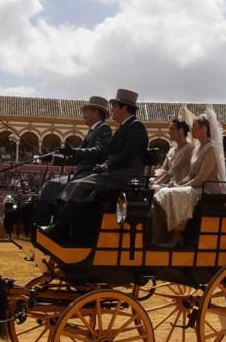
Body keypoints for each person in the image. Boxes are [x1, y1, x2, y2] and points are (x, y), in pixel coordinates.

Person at [46, 89, 149, 243]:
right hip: (117, 172)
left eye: (114, 106)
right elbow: (110, 154)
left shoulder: (136, 127)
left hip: (126, 175)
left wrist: (106, 166)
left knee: (79, 185)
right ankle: (64, 228)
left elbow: (127, 155)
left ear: (124, 108)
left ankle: (59, 228)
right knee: (76, 184)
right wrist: (104, 164)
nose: (112, 110)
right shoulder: (122, 128)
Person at [152, 107, 226, 247]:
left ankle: (177, 234)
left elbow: (202, 177)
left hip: (208, 190)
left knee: (176, 193)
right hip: (197, 187)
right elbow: (190, 174)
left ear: (204, 129)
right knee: (167, 191)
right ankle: (169, 232)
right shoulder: (197, 148)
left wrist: (181, 186)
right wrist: (179, 184)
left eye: (194, 126)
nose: (192, 129)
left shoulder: (211, 149)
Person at [35, 95, 112, 227]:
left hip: (89, 174)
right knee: (50, 186)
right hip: (83, 174)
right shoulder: (92, 132)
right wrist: (51, 157)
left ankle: (55, 225)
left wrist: (76, 151)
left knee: (53, 186)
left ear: (96, 112)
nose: (84, 114)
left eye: (87, 111)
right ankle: (44, 224)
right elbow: (76, 158)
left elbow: (99, 151)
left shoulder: (104, 129)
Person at [151, 108, 194, 190]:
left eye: (171, 129)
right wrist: (153, 178)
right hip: (171, 186)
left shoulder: (189, 148)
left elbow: (174, 170)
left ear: (180, 131)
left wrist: (157, 182)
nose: (168, 132)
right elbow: (164, 169)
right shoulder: (171, 150)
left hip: (182, 187)